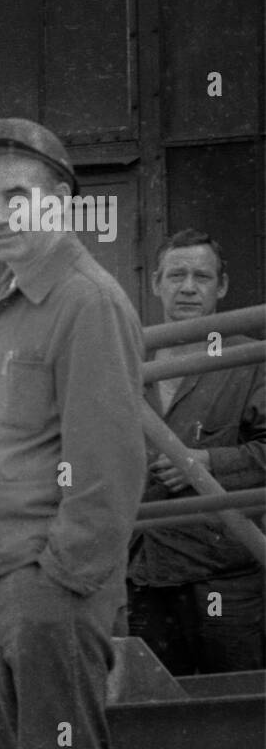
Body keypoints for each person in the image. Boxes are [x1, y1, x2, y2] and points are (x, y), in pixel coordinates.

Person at [0, 117, 146, 749]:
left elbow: (108, 461)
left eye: (16, 198)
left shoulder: (87, 300)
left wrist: (59, 581)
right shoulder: (14, 298)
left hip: (42, 584)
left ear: (59, 203)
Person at [128, 229, 265, 674]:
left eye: (201, 276)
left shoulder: (251, 359)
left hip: (223, 580)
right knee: (151, 712)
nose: (188, 286)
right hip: (142, 576)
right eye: (177, 275)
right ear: (156, 283)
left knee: (233, 711)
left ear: (221, 287)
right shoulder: (128, 362)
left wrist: (206, 464)